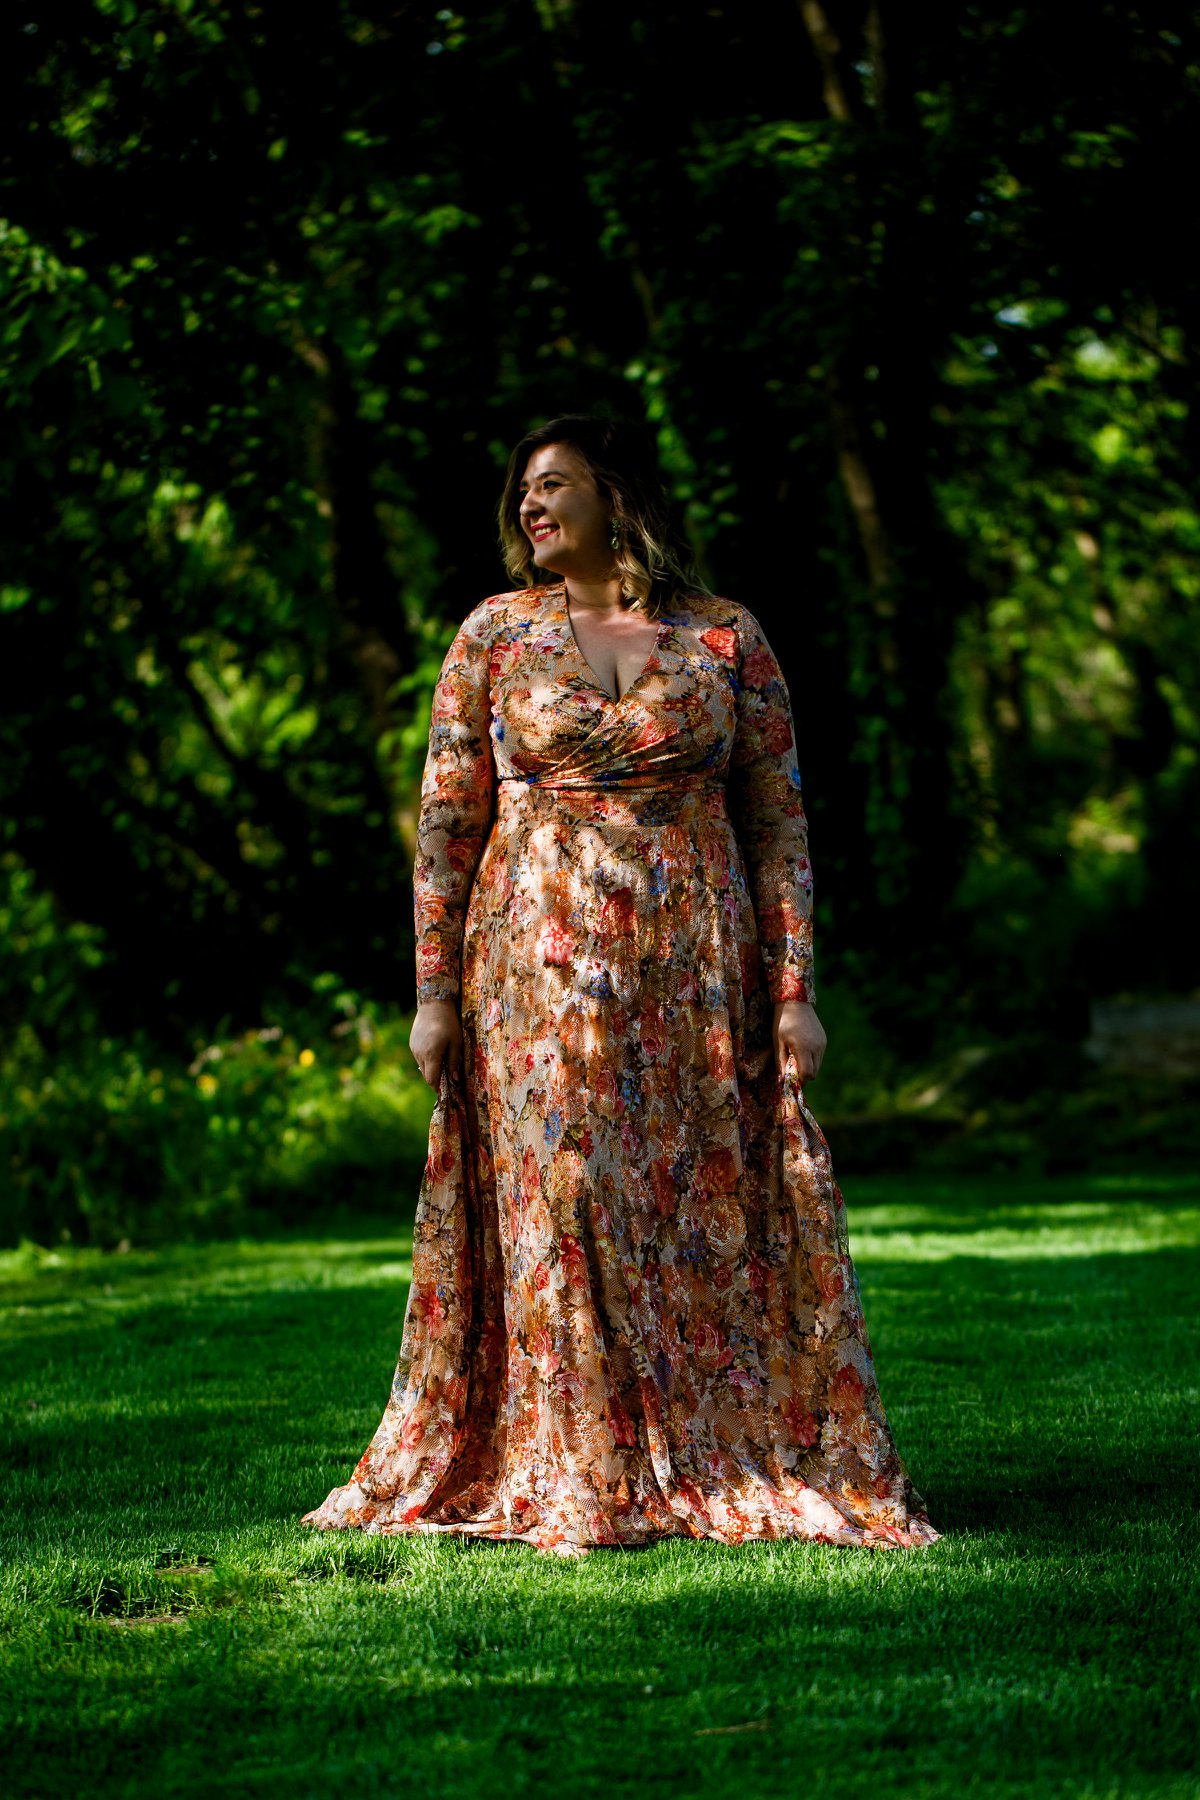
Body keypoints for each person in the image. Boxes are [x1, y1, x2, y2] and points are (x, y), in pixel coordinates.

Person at [301, 415, 939, 1554]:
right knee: (569, 1191)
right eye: (523, 491)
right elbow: (445, 825)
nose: (530, 506)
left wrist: (794, 987)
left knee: (692, 1209)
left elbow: (778, 822)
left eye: (553, 485)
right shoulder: (495, 633)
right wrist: (434, 994)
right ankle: (577, 1460)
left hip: (695, 970)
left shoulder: (725, 635)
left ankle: (707, 1444)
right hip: (535, 967)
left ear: (617, 495)